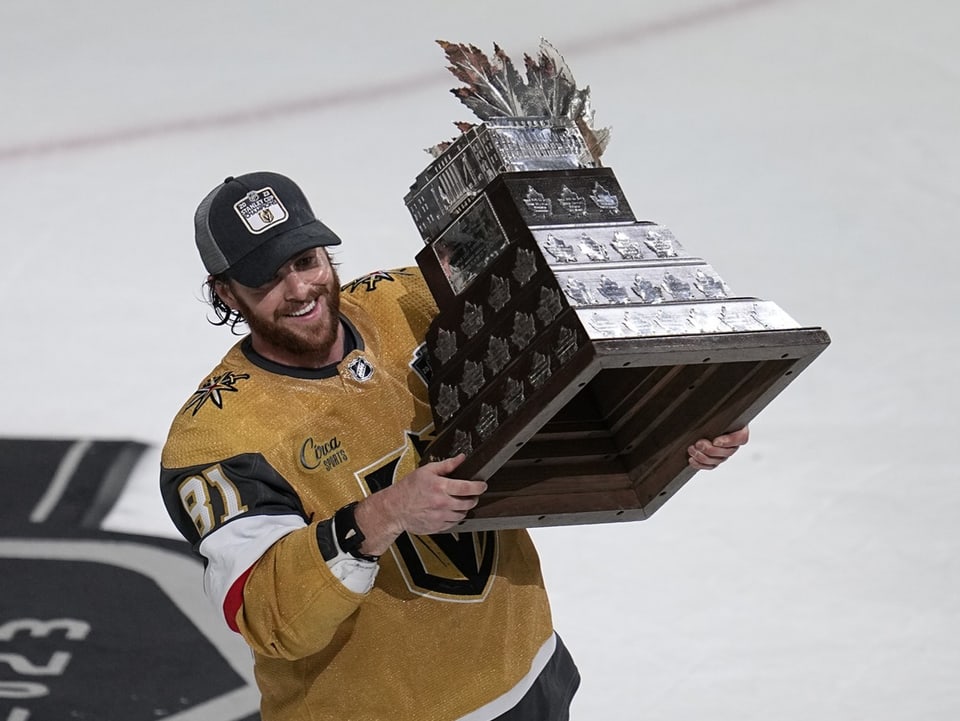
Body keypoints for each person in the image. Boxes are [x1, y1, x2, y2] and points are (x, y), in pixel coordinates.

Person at [160, 171, 749, 721]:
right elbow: (265, 615)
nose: (299, 289)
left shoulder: (410, 303)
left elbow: (573, 342)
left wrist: (684, 421)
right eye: (267, 278)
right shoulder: (214, 437)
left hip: (526, 676)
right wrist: (381, 515)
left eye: (307, 261)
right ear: (227, 295)